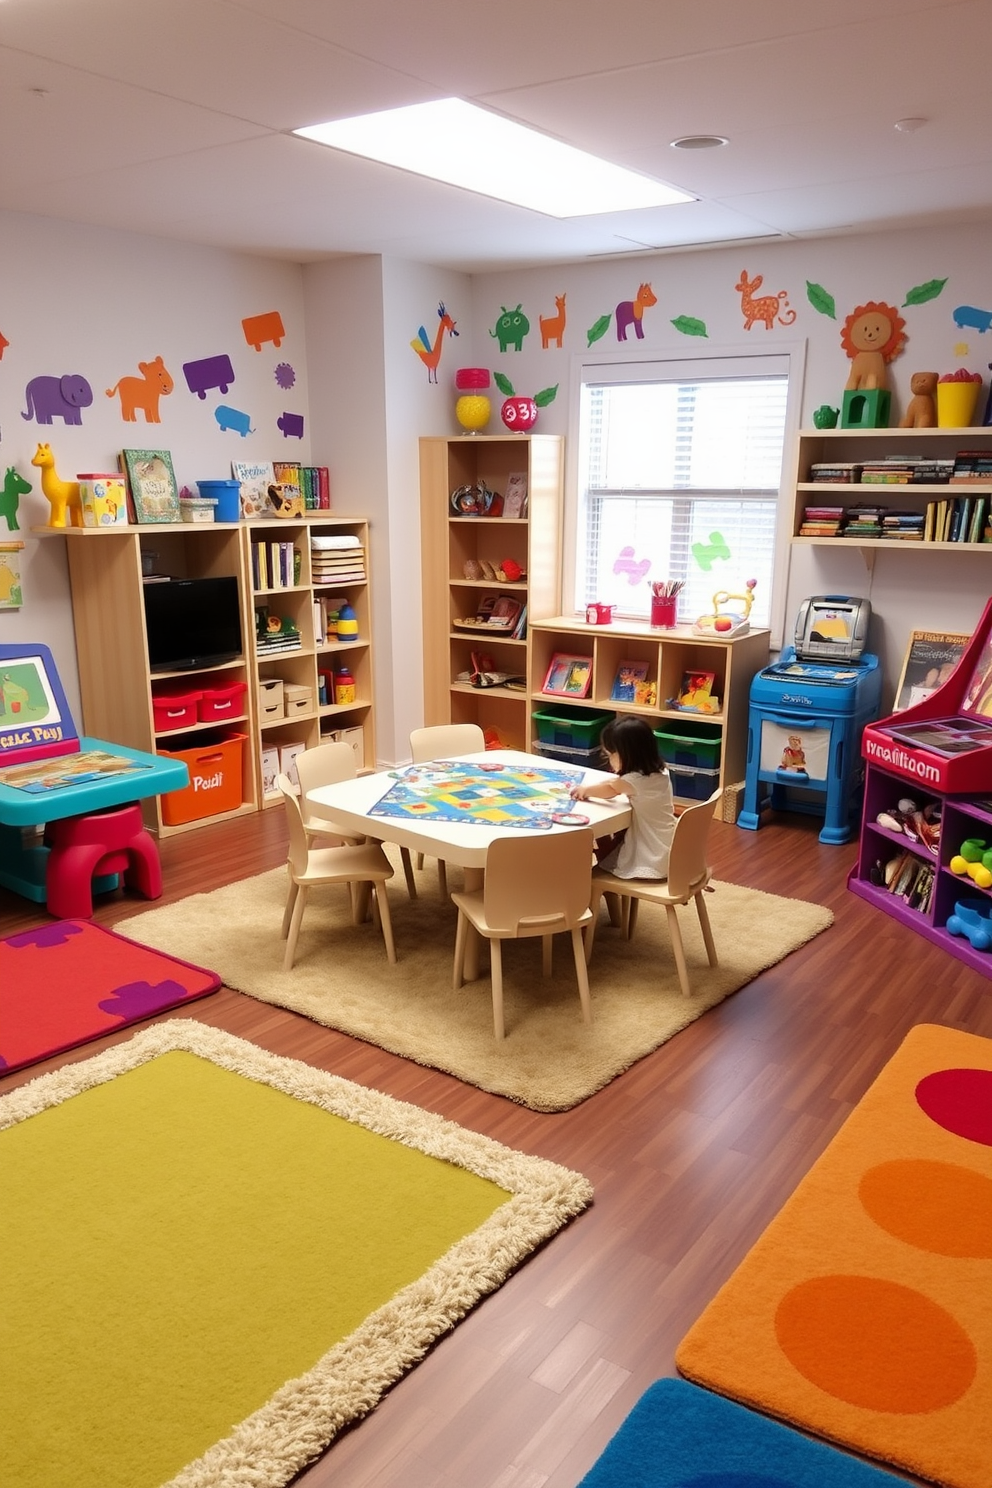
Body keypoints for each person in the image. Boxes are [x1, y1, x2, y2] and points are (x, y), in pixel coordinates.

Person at [570, 715, 675, 879]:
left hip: (651, 854)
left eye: (610, 754)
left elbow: (609, 791)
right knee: (611, 839)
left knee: (605, 843)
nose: (609, 758)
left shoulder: (633, 781)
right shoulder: (661, 772)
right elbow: (618, 784)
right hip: (669, 846)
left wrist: (585, 790)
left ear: (625, 755)